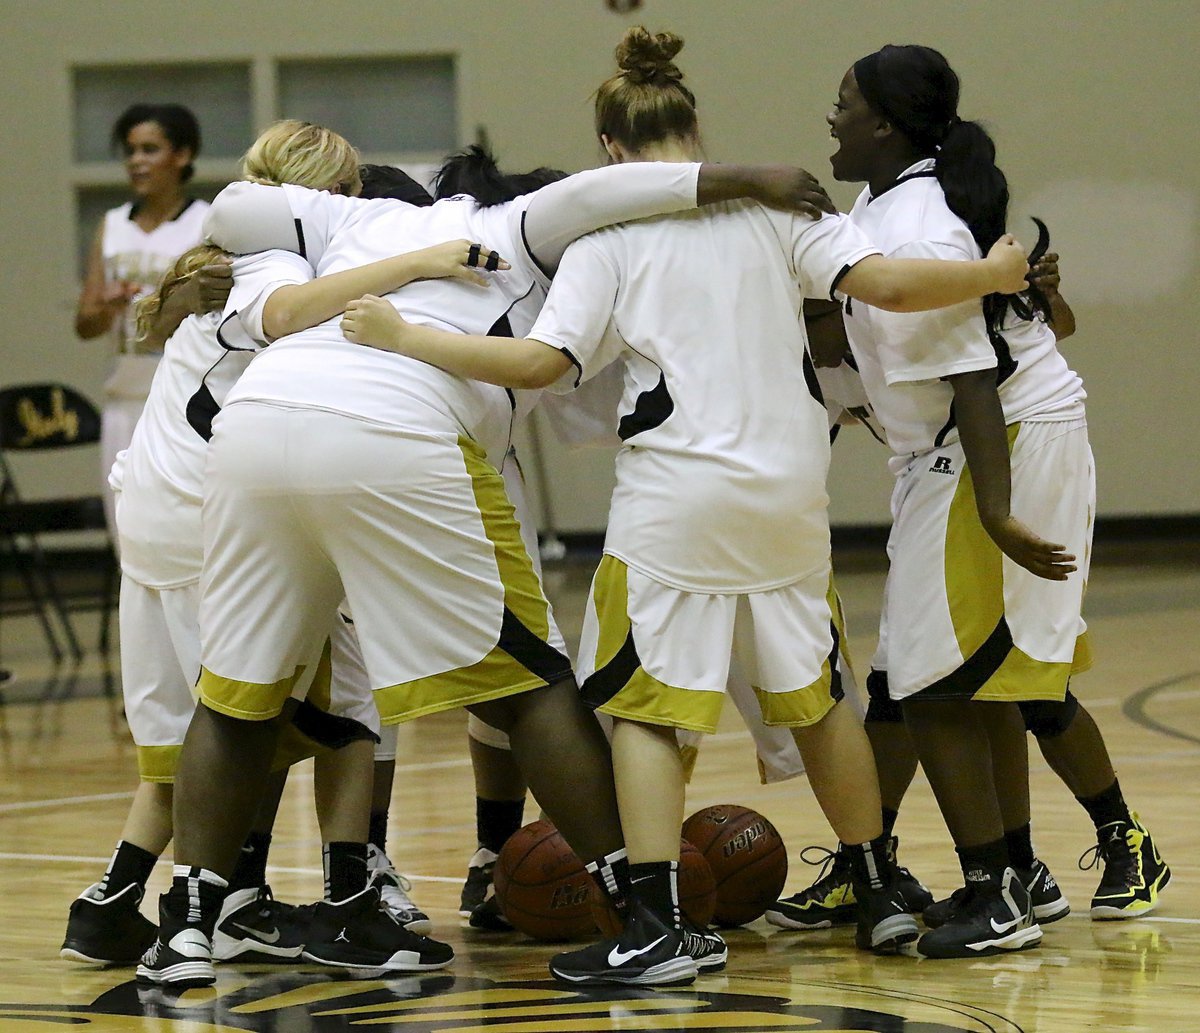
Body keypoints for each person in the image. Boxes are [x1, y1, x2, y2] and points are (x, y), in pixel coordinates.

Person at [340, 27, 1031, 986]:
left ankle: (660, 924)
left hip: (677, 501)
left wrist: (407, 336)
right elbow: (889, 285)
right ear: (697, 127)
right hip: (789, 491)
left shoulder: (610, 236)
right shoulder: (782, 209)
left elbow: (546, 363)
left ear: (613, 154)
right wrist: (993, 277)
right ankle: (878, 889)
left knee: (646, 713)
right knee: (821, 698)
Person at [138, 127, 840, 991]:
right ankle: (650, 920)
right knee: (529, 680)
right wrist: (748, 173)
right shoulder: (516, 225)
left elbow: (234, 204)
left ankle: (186, 929)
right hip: (394, 430)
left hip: (256, 435)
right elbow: (603, 195)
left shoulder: (345, 221)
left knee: (236, 693)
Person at [65, 124, 492, 976]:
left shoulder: (228, 254)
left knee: (206, 725)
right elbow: (290, 314)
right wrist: (419, 262)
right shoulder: (276, 267)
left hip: (156, 505)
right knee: (331, 704)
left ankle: (120, 901)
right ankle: (338, 904)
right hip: (205, 511)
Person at [806, 43, 1168, 959]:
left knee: (941, 678)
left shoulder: (917, 224)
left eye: (844, 102)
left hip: (994, 443)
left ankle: (994, 890)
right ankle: (1011, 869)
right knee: (960, 675)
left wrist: (999, 513)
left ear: (886, 123)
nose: (831, 117)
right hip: (964, 445)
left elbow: (970, 375)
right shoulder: (882, 200)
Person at [770, 245, 1169, 932]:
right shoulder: (818, 363)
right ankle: (875, 861)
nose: (803, 324)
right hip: (933, 489)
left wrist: (1041, 291)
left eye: (808, 311)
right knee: (903, 678)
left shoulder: (902, 300)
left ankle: (1123, 837)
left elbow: (1051, 327)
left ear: (836, 302)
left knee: (1025, 680)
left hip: (1014, 467)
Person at [75, 104, 211, 535]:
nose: (136, 161)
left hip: (183, 396)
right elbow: (85, 324)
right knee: (126, 536)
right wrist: (107, 305)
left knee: (187, 533)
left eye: (149, 149)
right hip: (124, 399)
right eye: (130, 151)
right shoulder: (112, 225)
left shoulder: (205, 222)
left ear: (183, 155)